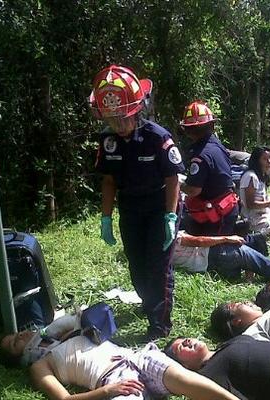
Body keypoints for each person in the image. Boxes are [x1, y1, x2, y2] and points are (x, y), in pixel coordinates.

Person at [91, 64, 185, 339]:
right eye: (111, 120)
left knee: (158, 265)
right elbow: (108, 181)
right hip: (131, 207)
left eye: (123, 118)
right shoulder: (107, 141)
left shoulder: (158, 137)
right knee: (137, 263)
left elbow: (173, 180)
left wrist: (170, 217)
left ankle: (160, 323)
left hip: (160, 206)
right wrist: (106, 217)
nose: (118, 126)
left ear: (135, 110)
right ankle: (149, 303)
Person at [0, 326, 240, 399]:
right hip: (114, 380)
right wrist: (107, 391)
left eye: (16, 334)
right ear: (20, 357)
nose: (21, 335)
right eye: (15, 343)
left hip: (136, 357)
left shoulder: (60, 334)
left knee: (185, 381)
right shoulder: (39, 367)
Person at [172, 230, 270, 285]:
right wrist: (226, 238)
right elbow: (198, 241)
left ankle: (250, 272)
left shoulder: (155, 252)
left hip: (213, 268)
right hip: (223, 254)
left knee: (255, 255)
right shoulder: (169, 234)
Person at [164, 335, 270, 400]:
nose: (187, 341)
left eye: (186, 339)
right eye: (181, 347)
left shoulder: (227, 344)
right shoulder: (208, 378)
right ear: (184, 366)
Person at [180, 101, 238, 235]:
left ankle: (255, 245)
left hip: (217, 213)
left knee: (216, 252)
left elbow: (194, 190)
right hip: (225, 206)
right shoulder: (217, 145)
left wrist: (179, 185)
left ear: (187, 130)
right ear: (212, 126)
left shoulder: (200, 155)